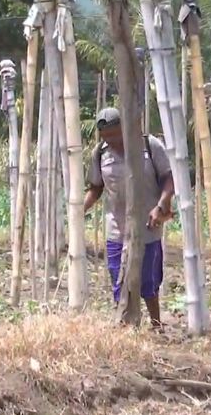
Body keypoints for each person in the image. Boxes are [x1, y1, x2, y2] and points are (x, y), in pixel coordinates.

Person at [83, 107, 175, 329]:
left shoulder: (149, 146)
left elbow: (169, 179)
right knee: (118, 279)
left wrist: (161, 206)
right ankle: (125, 326)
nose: (111, 140)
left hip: (147, 226)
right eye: (106, 136)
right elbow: (96, 188)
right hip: (117, 228)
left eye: (115, 134)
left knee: (148, 281)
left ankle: (156, 324)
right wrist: (80, 209)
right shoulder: (100, 154)